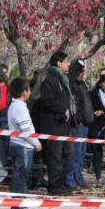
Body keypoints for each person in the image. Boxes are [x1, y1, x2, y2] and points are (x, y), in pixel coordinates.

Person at [40, 51, 76, 196]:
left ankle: (60, 182)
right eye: (66, 61)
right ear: (58, 63)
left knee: (69, 152)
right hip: (54, 125)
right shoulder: (51, 79)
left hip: (64, 126)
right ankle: (54, 185)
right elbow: (47, 100)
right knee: (55, 156)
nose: (68, 64)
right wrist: (63, 109)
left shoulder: (64, 79)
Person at [8, 77, 42, 209]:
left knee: (19, 177)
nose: (29, 92)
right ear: (24, 92)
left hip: (18, 144)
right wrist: (37, 143)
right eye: (28, 89)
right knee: (21, 178)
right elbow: (26, 130)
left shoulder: (14, 106)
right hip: (22, 146)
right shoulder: (20, 108)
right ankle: (19, 208)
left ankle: (17, 206)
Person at [66, 60, 94, 190]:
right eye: (81, 71)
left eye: (84, 71)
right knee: (75, 154)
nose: (83, 74)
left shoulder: (81, 84)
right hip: (77, 125)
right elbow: (74, 105)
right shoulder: (71, 84)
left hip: (84, 125)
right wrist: (79, 120)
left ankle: (79, 178)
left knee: (81, 154)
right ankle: (70, 179)